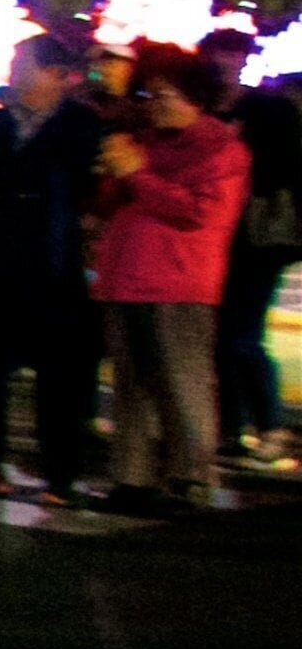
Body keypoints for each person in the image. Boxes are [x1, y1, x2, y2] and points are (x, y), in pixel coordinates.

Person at [0, 34, 105, 503]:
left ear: (57, 75)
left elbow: (81, 185)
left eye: (24, 64)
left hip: (53, 263)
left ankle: (60, 473)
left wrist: (9, 179)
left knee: (59, 374)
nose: (14, 72)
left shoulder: (82, 125)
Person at [91, 47, 249, 513]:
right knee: (130, 387)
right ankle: (131, 479)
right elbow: (105, 205)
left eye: (167, 93)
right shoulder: (144, 141)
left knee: (182, 385)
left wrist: (137, 175)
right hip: (124, 279)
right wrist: (112, 176)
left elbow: (199, 210)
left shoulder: (221, 148)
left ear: (195, 96)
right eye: (150, 93)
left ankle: (190, 477)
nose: (156, 102)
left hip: (178, 284)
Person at [196, 27, 301, 470]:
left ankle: (270, 427)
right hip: (206, 235)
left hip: (256, 238)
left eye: (233, 54)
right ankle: (229, 429)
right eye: (216, 55)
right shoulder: (197, 112)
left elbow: (288, 169)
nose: (225, 63)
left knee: (243, 335)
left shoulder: (268, 110)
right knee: (218, 335)